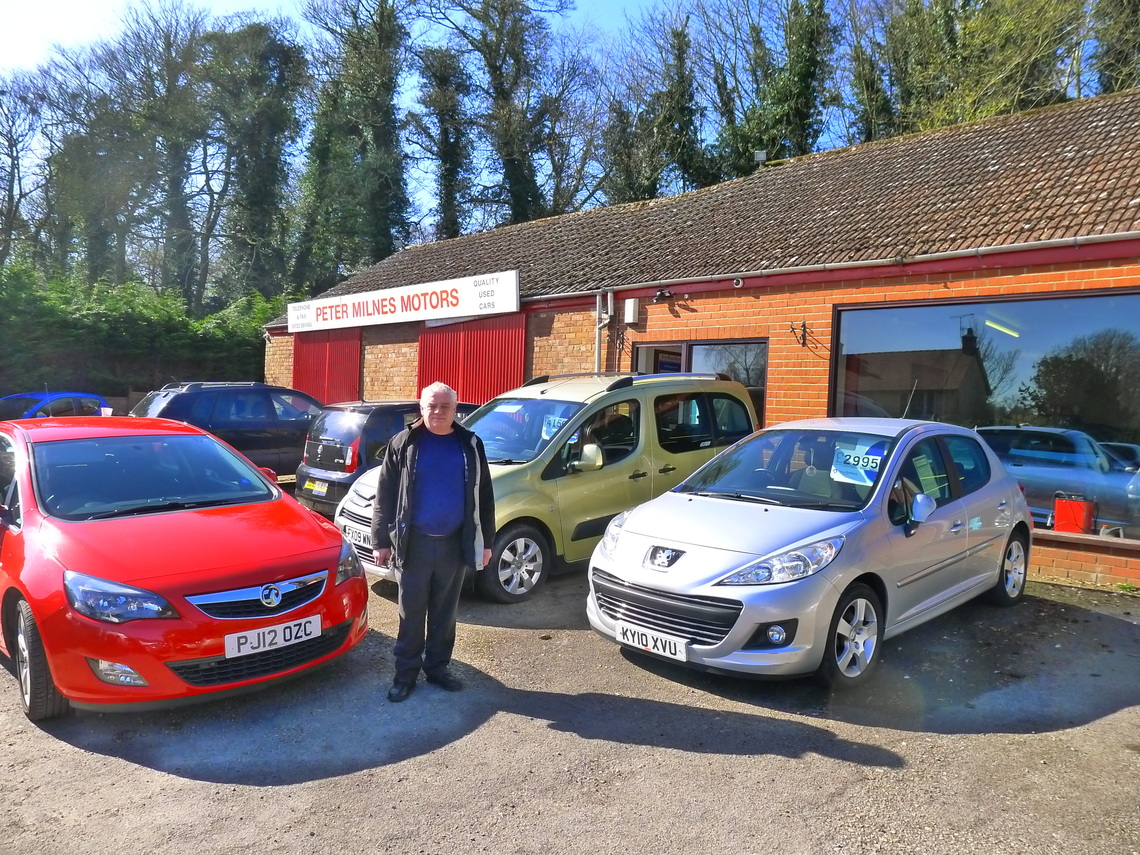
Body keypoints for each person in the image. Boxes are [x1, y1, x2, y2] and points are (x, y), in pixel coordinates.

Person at [371, 382, 496, 703]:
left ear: (455, 410)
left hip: (454, 544)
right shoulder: (404, 443)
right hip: (414, 545)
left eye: (445, 406)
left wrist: (486, 542)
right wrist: (381, 541)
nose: (438, 411)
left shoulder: (470, 444)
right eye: (432, 405)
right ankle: (405, 675)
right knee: (410, 615)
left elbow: (484, 495)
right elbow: (385, 495)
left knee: (445, 613)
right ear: (421, 408)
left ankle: (438, 668)